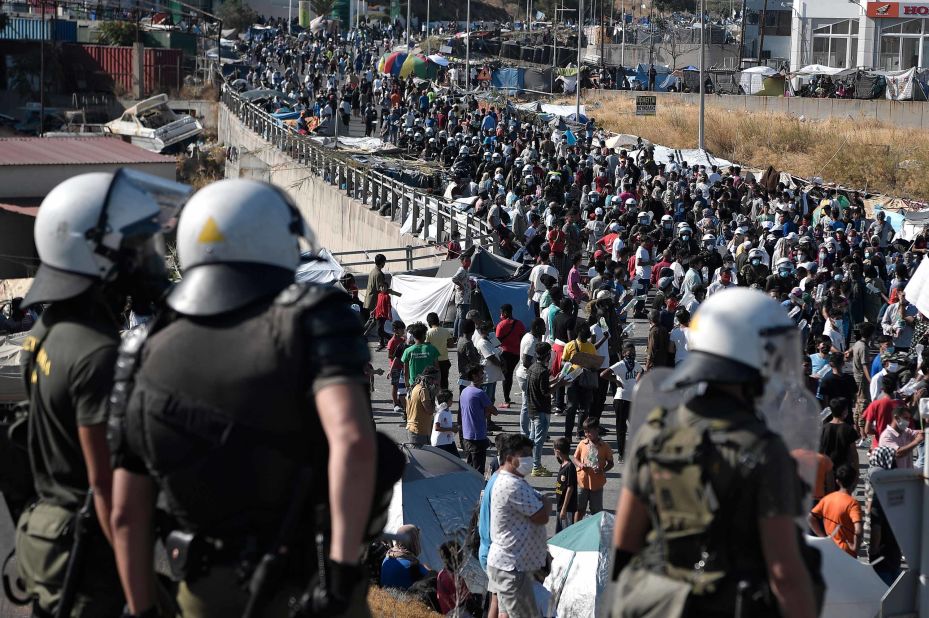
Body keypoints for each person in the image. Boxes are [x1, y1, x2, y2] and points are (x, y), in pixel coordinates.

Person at [108, 180, 390, 617]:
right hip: (307, 578)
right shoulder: (316, 319)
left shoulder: (139, 350)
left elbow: (126, 514)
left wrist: (142, 608)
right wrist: (339, 576)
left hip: (205, 588)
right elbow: (353, 442)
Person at [15, 171, 185, 617]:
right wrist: (142, 605)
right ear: (97, 254)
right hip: (90, 562)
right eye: (136, 248)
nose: (149, 259)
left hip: (51, 542)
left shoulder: (46, 331)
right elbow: (109, 492)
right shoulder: (98, 355)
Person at [609, 288, 819, 618]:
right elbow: (785, 575)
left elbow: (625, 540)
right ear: (753, 356)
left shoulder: (656, 430)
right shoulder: (764, 449)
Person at [487, 434, 551, 618]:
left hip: (512, 564)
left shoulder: (515, 481)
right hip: (511, 566)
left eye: (530, 454)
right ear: (509, 458)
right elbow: (541, 516)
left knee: (504, 612)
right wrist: (547, 503)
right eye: (524, 455)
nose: (529, 459)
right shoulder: (512, 485)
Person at [808, 465, 863, 558]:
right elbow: (858, 531)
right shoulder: (853, 504)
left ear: (837, 481)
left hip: (830, 549)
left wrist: (823, 537)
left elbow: (810, 517)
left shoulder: (827, 499)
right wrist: (855, 548)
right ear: (854, 481)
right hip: (846, 553)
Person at [603, 341, 643, 462]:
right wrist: (616, 381)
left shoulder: (636, 364)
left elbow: (642, 371)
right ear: (624, 353)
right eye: (629, 352)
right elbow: (603, 374)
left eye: (634, 352)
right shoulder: (620, 364)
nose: (632, 355)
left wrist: (638, 381)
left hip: (633, 400)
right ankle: (621, 454)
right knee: (621, 429)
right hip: (621, 399)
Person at [526, 342, 561, 477]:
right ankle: (536, 466)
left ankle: (530, 463)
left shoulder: (533, 367)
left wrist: (555, 380)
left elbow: (541, 386)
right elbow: (545, 392)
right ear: (547, 355)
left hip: (532, 408)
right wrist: (560, 384)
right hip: (541, 410)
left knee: (532, 438)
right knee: (539, 441)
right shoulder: (543, 371)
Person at [562, 323, 600, 442]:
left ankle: (580, 432)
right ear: (578, 333)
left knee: (585, 409)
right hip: (573, 379)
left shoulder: (591, 346)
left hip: (586, 380)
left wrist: (594, 367)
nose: (586, 336)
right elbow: (563, 362)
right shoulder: (570, 345)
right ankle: (568, 435)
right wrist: (571, 363)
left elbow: (595, 364)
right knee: (571, 408)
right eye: (584, 334)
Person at [571, 418, 614, 522]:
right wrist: (580, 464)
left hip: (597, 484)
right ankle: (575, 529)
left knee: (596, 511)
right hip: (582, 482)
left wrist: (602, 470)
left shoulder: (605, 446)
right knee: (580, 509)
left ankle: (595, 532)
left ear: (597, 430)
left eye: (589, 431)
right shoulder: (582, 444)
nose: (587, 434)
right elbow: (575, 458)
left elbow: (611, 463)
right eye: (585, 432)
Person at [461, 365, 497, 474]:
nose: (483, 375)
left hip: (467, 435)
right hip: (478, 437)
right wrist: (486, 411)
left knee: (470, 468)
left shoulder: (465, 391)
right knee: (478, 471)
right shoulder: (480, 393)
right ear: (474, 376)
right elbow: (494, 411)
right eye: (481, 373)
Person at [380, 524, 429, 590]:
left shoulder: (387, 558)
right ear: (414, 541)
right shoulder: (412, 566)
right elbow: (432, 581)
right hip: (403, 599)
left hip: (385, 598)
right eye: (417, 538)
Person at [496, 304, 527, 408]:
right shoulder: (520, 324)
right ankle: (507, 398)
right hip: (516, 354)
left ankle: (506, 400)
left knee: (506, 376)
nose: (500, 315)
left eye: (501, 313)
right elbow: (522, 339)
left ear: (505, 313)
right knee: (509, 375)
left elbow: (497, 341)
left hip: (505, 353)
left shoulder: (501, 325)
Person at [819, 397, 859, 475]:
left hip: (827, 469)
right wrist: (857, 471)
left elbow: (820, 451)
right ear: (845, 411)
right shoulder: (849, 429)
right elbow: (854, 452)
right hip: (844, 470)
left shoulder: (824, 429)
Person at [436, 541, 471, 617]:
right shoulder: (455, 579)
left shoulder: (441, 574)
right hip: (458, 613)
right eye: (461, 554)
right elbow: (467, 601)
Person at [407, 366, 439, 445]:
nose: (435, 382)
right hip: (419, 431)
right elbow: (430, 411)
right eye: (434, 380)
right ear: (430, 379)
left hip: (415, 429)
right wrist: (433, 395)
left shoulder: (415, 387)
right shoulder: (423, 391)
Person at [402, 322, 440, 388]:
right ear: (424, 335)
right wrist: (438, 382)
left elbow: (406, 371)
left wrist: (406, 383)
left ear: (413, 336)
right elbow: (437, 368)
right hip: (430, 384)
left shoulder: (408, 351)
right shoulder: (432, 349)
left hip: (414, 385)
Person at [476, 320, 505, 404]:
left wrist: (503, 362)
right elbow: (491, 358)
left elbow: (499, 348)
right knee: (487, 399)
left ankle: (488, 417)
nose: (491, 331)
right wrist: (501, 366)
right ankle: (485, 416)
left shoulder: (491, 337)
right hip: (487, 375)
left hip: (493, 374)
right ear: (483, 331)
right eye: (488, 329)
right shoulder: (482, 343)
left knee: (491, 398)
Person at [554, 437, 578, 533]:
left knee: (566, 532)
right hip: (560, 506)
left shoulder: (570, 467)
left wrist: (564, 508)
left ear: (558, 451)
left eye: (554, 451)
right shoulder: (563, 463)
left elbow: (570, 488)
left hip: (567, 508)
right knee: (559, 532)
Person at [426, 312, 453, 389]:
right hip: (444, 360)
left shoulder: (428, 332)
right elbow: (451, 345)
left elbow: (426, 346)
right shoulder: (445, 331)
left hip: (432, 361)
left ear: (429, 322)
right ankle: (444, 398)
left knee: (432, 382)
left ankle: (433, 399)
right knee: (444, 381)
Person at [387, 320, 408, 420]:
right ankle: (395, 403)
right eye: (401, 329)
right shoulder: (392, 342)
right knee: (395, 386)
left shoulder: (403, 340)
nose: (403, 331)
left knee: (401, 386)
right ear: (395, 330)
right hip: (395, 367)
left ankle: (400, 402)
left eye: (403, 329)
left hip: (403, 367)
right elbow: (390, 356)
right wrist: (397, 356)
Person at [431, 389, 460, 456]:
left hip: (448, 440)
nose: (452, 401)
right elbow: (437, 428)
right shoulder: (440, 413)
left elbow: (447, 424)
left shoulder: (448, 412)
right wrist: (451, 429)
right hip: (440, 443)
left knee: (456, 459)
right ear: (445, 402)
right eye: (450, 400)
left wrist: (454, 426)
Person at [363, 253, 388, 324]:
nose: (384, 264)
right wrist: (386, 286)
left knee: (371, 320)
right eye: (384, 262)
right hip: (374, 301)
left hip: (369, 300)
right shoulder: (379, 274)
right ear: (381, 263)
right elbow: (380, 288)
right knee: (372, 321)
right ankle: (363, 334)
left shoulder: (373, 271)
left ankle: (364, 333)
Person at [452, 254, 472, 337]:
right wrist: (461, 286)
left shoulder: (466, 270)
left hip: (465, 297)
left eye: (469, 261)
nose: (468, 262)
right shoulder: (462, 270)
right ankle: (459, 336)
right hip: (462, 299)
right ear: (462, 262)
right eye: (466, 261)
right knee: (462, 318)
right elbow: (454, 279)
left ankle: (455, 335)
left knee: (458, 317)